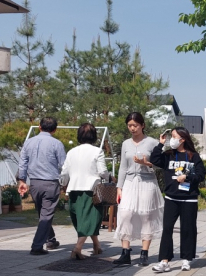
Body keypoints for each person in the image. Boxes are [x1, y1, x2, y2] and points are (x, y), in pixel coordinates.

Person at [149, 128, 206, 272]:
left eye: (174, 137)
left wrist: (187, 177)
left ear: (183, 139)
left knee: (188, 229)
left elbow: (201, 175)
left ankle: (186, 259)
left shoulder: (193, 156)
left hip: (189, 199)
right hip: (171, 198)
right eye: (171, 137)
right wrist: (160, 144)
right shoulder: (168, 155)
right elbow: (154, 160)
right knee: (167, 228)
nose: (171, 140)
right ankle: (164, 261)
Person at [113, 112, 164, 267]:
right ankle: (125, 253)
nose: (132, 128)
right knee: (125, 213)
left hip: (147, 182)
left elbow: (160, 164)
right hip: (129, 181)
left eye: (135, 125)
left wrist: (146, 163)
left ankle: (144, 253)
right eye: (129, 125)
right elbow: (123, 167)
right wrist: (119, 187)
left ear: (142, 125)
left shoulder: (153, 143)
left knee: (145, 215)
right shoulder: (126, 144)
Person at [17, 117, 66, 255]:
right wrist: (65, 182)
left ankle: (51, 239)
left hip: (34, 183)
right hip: (50, 183)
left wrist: (22, 180)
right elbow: (64, 165)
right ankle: (37, 246)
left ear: (39, 127)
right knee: (46, 214)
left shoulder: (28, 143)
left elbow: (23, 163)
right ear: (55, 130)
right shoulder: (57, 144)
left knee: (43, 213)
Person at [59, 123, 109, 259]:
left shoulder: (71, 152)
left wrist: (63, 186)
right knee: (90, 219)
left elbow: (64, 173)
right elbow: (103, 171)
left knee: (83, 219)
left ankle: (97, 246)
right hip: (91, 191)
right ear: (94, 136)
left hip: (74, 190)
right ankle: (77, 249)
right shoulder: (97, 151)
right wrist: (110, 177)